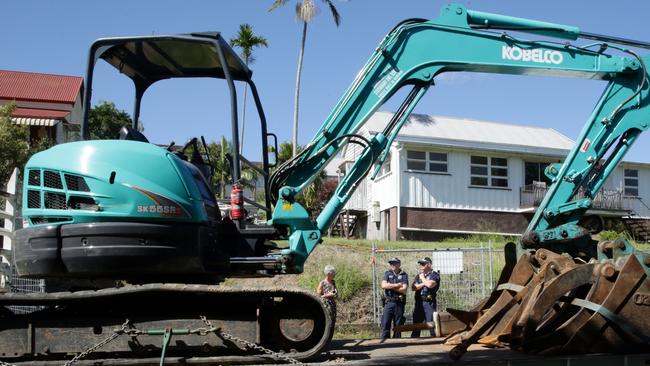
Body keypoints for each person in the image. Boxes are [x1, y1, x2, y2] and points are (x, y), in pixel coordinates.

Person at [380, 257, 408, 341]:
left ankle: (397, 343)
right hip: (389, 302)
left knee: (398, 325)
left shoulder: (404, 275)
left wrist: (390, 286)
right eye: (391, 263)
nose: (392, 265)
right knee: (385, 323)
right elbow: (383, 285)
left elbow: (404, 290)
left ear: (399, 264)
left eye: (394, 263)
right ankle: (384, 342)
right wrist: (397, 285)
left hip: (399, 303)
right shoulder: (387, 273)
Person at [410, 257, 440, 337]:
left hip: (429, 302)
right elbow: (413, 287)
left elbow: (430, 285)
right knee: (416, 324)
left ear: (429, 265)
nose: (421, 266)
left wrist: (423, 279)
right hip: (419, 302)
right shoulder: (418, 276)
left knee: (431, 324)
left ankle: (434, 341)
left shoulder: (434, 275)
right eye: (420, 264)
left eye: (423, 264)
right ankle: (414, 342)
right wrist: (424, 283)